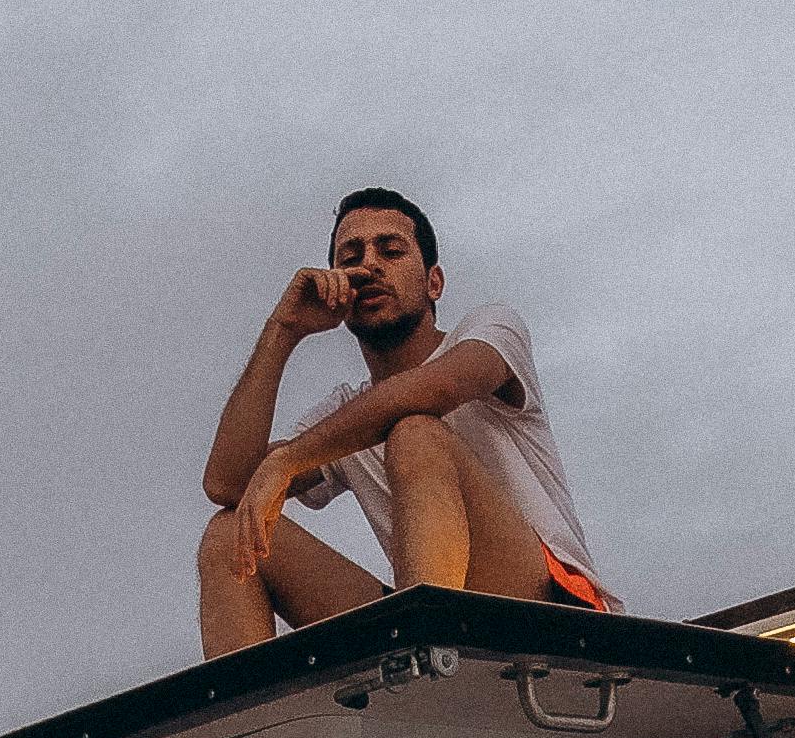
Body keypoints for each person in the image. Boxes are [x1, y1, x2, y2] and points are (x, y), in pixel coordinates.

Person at [197, 187, 617, 654]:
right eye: (351, 256)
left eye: (391, 250)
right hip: (426, 617)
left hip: (552, 616)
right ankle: (257, 726)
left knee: (415, 431)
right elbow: (226, 481)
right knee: (225, 534)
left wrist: (289, 460)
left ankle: (426, 654)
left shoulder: (492, 330)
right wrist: (284, 330)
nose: (369, 265)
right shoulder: (345, 416)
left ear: (433, 282)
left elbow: (433, 391)